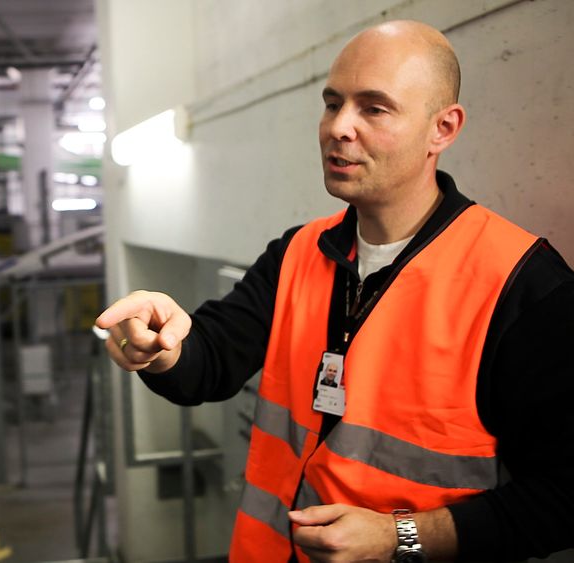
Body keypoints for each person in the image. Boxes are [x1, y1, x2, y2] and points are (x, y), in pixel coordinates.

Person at [96, 20, 574, 563]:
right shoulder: (299, 252)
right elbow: (210, 360)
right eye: (332, 103)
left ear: (443, 128)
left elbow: (563, 496)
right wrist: (164, 347)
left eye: (374, 108)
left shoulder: (521, 284)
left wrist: (402, 537)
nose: (338, 128)